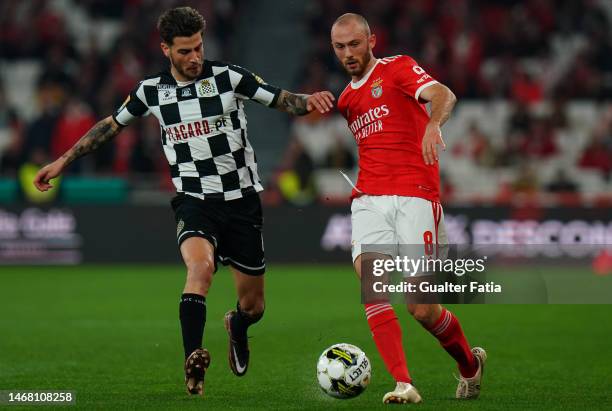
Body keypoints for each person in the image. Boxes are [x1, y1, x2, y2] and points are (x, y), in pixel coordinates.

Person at [33, 6, 334, 397]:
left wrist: (317, 100)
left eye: (198, 48)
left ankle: (237, 326)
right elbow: (109, 126)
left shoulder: (228, 77)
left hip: (241, 201)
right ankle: (193, 360)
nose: (194, 58)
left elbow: (282, 100)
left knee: (254, 306)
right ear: (165, 49)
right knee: (200, 268)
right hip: (195, 201)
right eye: (184, 51)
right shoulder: (150, 91)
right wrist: (62, 160)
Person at [331, 13, 486, 404]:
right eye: (339, 46)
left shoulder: (397, 68)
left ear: (371, 41)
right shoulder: (347, 99)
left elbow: (443, 94)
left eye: (354, 44)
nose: (348, 53)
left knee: (422, 308)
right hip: (368, 199)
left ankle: (470, 365)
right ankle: (403, 383)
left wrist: (434, 124)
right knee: (374, 288)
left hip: (416, 195)